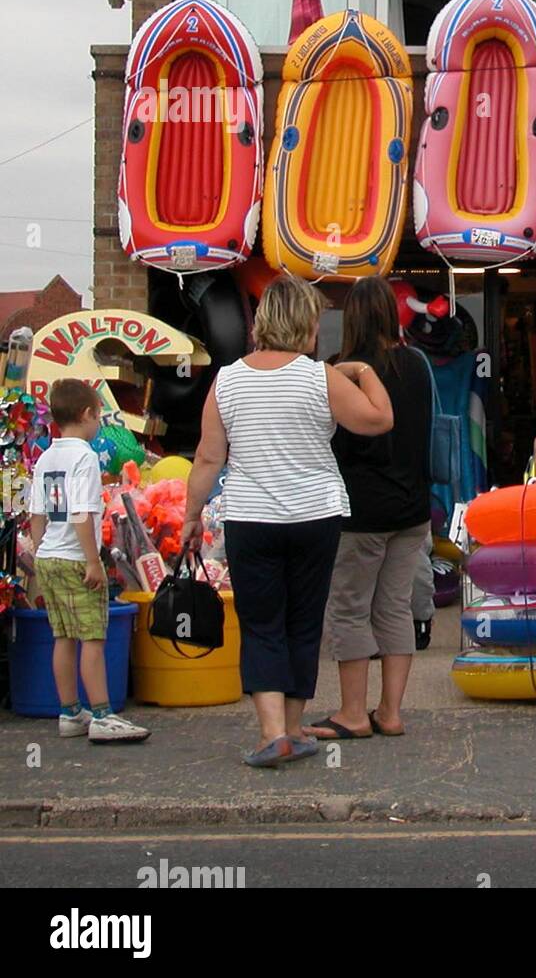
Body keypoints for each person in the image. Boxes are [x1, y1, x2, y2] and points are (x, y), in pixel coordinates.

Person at [181, 273, 393, 768]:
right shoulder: (321, 377)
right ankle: (295, 728)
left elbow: (208, 459)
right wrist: (365, 373)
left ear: (262, 322)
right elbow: (378, 420)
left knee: (261, 625)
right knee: (303, 622)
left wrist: (192, 516)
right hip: (315, 516)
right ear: (305, 323)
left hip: (251, 519)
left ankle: (273, 731)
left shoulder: (227, 380)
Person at [306, 277, 433, 740]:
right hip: (413, 509)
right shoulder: (417, 366)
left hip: (360, 512)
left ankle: (353, 714)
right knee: (396, 608)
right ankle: (391, 712)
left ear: (350, 319)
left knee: (349, 609)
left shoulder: (338, 371)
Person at [28, 379, 151, 743]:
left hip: (50, 556)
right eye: (99, 415)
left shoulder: (46, 456)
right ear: (86, 414)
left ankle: (69, 711)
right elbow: (82, 514)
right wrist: (93, 561)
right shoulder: (84, 457)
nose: (100, 423)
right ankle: (102, 714)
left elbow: (36, 514)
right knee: (93, 638)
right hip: (75, 559)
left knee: (63, 636)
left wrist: (39, 552)